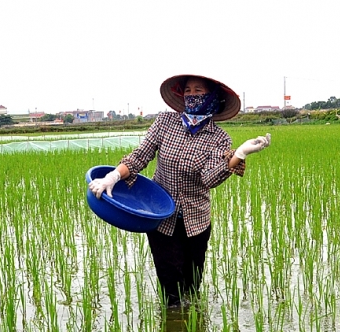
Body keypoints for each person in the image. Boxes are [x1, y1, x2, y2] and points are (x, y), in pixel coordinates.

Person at [88, 73, 271, 307]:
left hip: (196, 220)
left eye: (198, 91)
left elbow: (209, 178)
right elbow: (141, 155)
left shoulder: (219, 138)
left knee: (192, 284)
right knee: (170, 284)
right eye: (187, 91)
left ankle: (191, 330)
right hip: (161, 215)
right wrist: (113, 176)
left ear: (212, 97)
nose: (192, 96)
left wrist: (239, 154)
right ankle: (173, 321)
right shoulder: (165, 122)